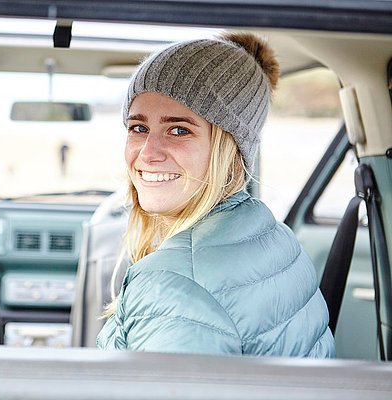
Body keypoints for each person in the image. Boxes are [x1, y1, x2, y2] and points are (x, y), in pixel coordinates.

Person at [96, 32, 335, 357]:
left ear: (229, 147)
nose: (148, 153)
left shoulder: (175, 286)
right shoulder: (276, 237)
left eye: (179, 130)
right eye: (138, 128)